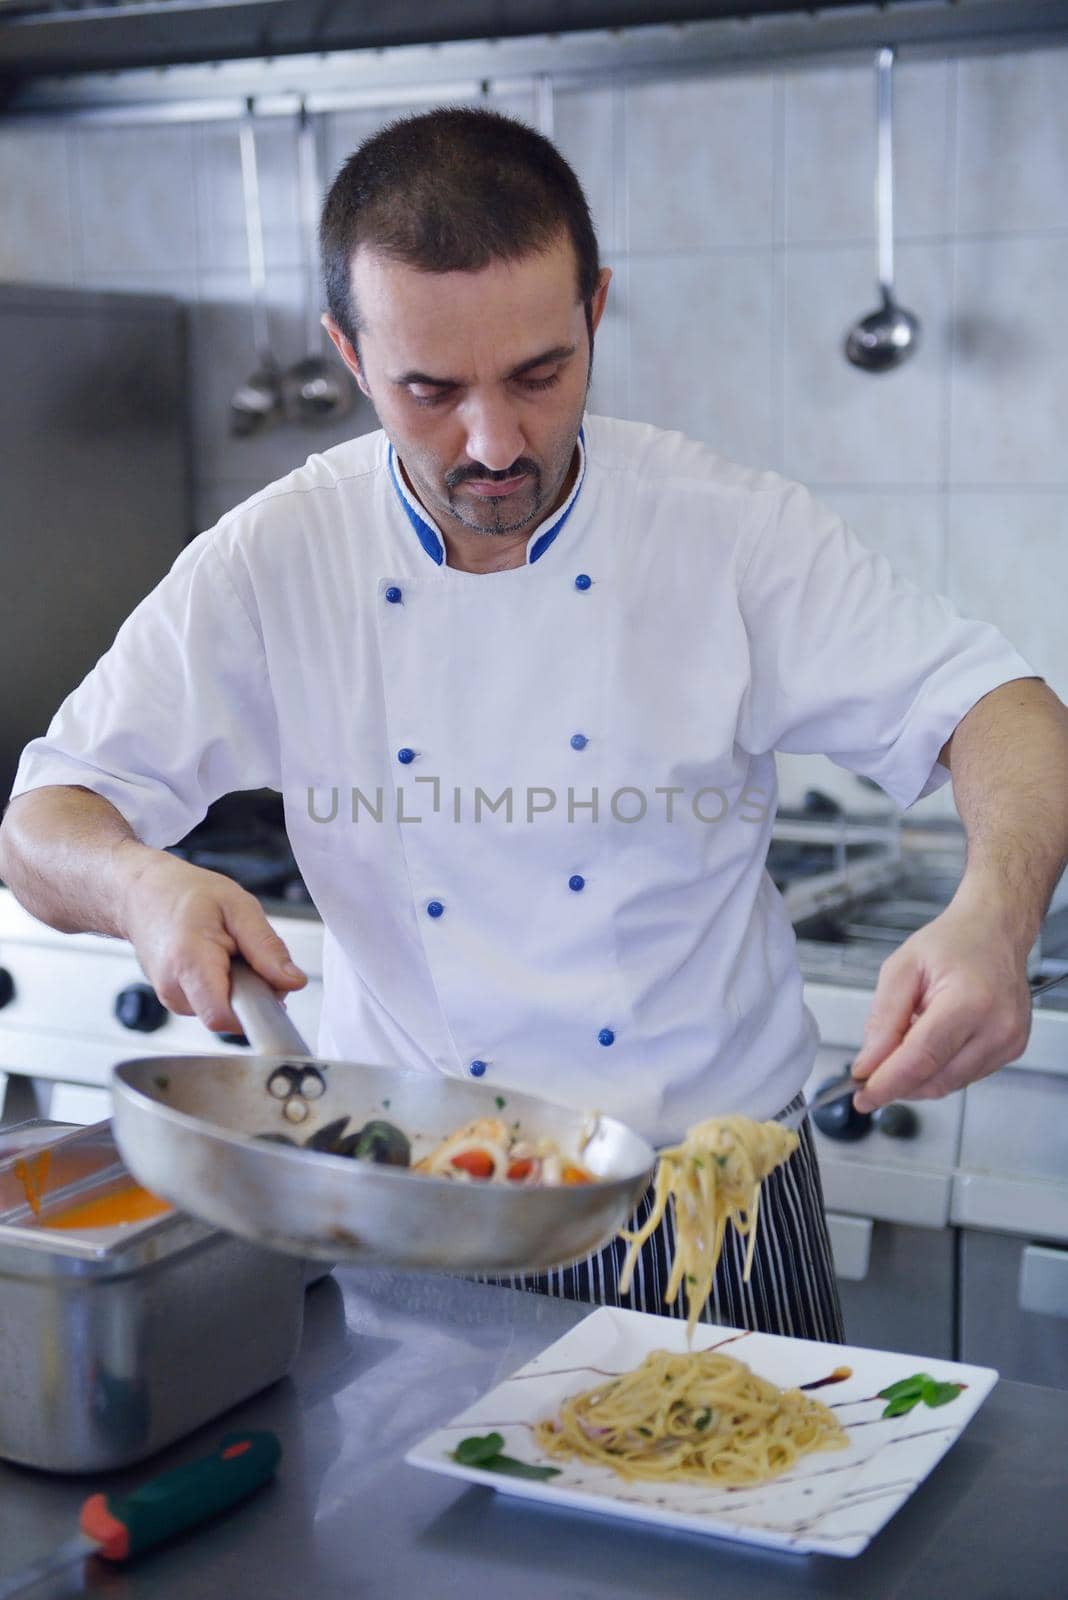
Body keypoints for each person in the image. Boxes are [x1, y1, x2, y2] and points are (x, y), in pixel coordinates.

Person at [2, 108, 1067, 1343]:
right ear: (348, 352)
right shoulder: (277, 558)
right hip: (405, 1203)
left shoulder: (723, 532)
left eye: (538, 375)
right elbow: (44, 818)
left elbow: (1008, 710)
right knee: (389, 1535)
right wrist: (140, 887)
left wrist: (996, 913)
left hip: (705, 1203)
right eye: (430, 389)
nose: (495, 442)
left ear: (596, 311)